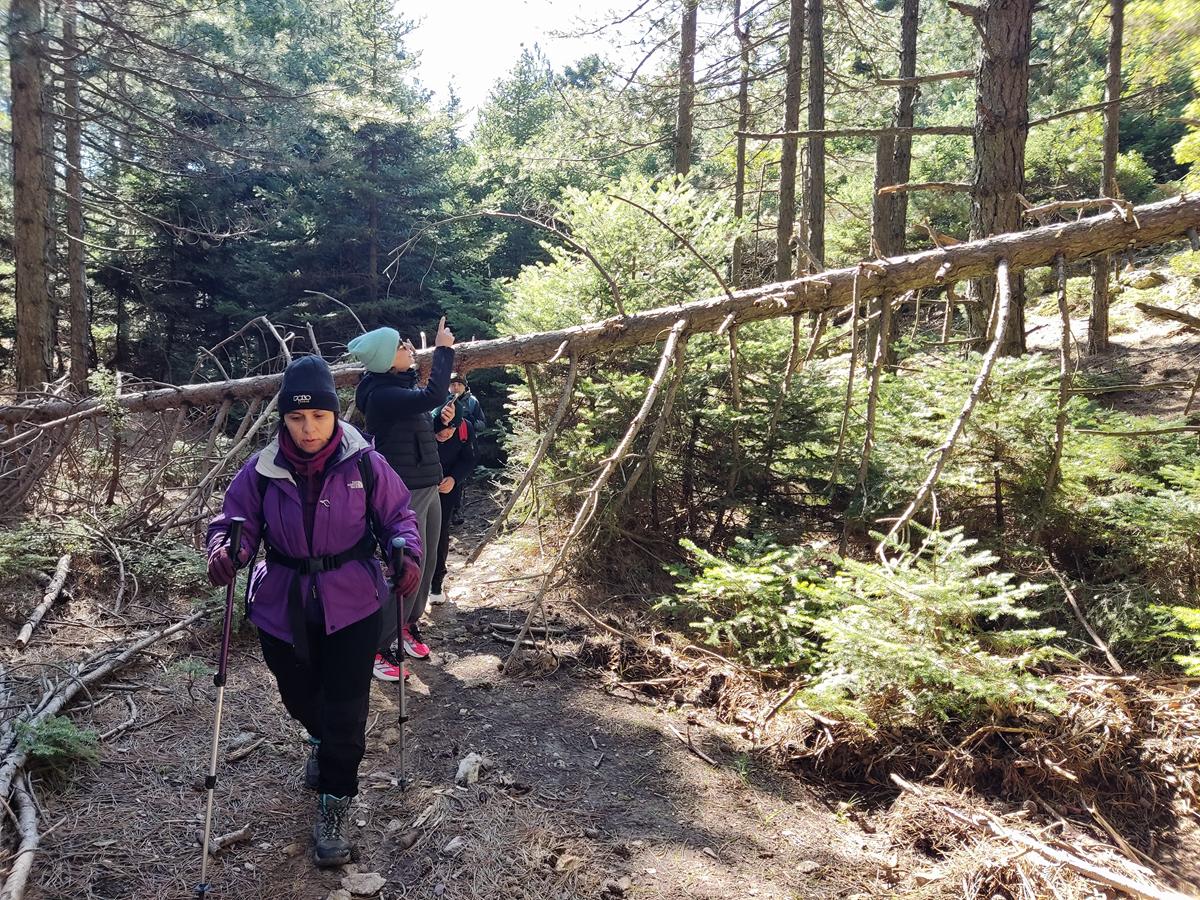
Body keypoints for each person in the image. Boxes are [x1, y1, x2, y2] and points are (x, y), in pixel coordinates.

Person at [206, 355, 422, 868]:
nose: (308, 428)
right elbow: (234, 521)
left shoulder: (365, 463)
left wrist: (406, 552)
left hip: (352, 599)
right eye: (297, 418)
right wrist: (227, 550)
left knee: (346, 709)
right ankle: (321, 741)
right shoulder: (261, 470)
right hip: (282, 603)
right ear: (284, 418)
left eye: (319, 417)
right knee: (299, 694)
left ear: (335, 415)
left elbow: (398, 516)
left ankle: (334, 803)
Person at [348, 317, 454, 679]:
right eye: (400, 345)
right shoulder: (381, 394)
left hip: (427, 484)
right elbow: (432, 395)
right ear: (384, 359)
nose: (408, 348)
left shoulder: (399, 386)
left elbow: (416, 425)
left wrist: (438, 426)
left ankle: (406, 625)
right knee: (408, 567)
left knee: (429, 561)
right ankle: (376, 647)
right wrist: (443, 351)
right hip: (405, 490)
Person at [430, 400, 476, 599]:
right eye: (443, 428)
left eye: (452, 428)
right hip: (420, 487)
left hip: (447, 487)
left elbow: (469, 459)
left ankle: (436, 583)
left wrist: (454, 479)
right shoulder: (422, 426)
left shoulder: (465, 429)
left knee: (440, 531)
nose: (446, 433)